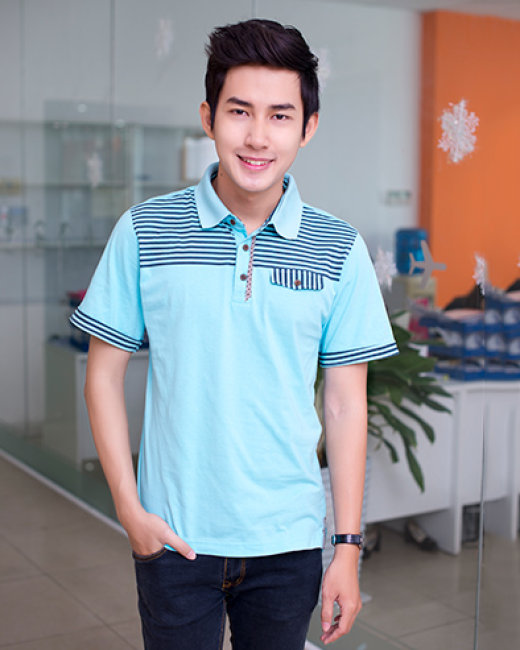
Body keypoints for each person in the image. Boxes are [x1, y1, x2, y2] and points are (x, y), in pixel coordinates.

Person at [71, 18, 397, 650]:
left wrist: (347, 547)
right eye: (239, 111)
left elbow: (344, 402)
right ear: (208, 117)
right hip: (174, 538)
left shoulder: (339, 248)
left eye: (280, 116)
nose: (257, 136)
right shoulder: (145, 230)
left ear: (308, 127)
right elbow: (102, 377)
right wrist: (130, 512)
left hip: (288, 542)